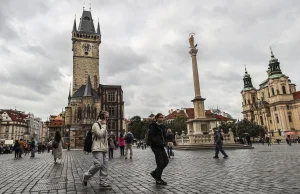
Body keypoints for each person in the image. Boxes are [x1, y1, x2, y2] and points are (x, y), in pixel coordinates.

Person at [82, 111, 111, 190]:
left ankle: (103, 182)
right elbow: (99, 134)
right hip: (97, 148)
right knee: (98, 164)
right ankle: (86, 176)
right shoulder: (95, 125)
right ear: (102, 117)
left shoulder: (104, 126)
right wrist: (104, 125)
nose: (107, 119)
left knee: (105, 166)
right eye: (106, 117)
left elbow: (104, 138)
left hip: (104, 148)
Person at [148, 113, 169, 185]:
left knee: (166, 161)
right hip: (155, 146)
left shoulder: (163, 126)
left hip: (161, 146)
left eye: (162, 117)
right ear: (156, 118)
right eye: (160, 117)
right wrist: (158, 141)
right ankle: (158, 179)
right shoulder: (153, 126)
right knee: (160, 162)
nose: (161, 119)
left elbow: (164, 135)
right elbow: (151, 136)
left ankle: (154, 173)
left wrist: (165, 141)